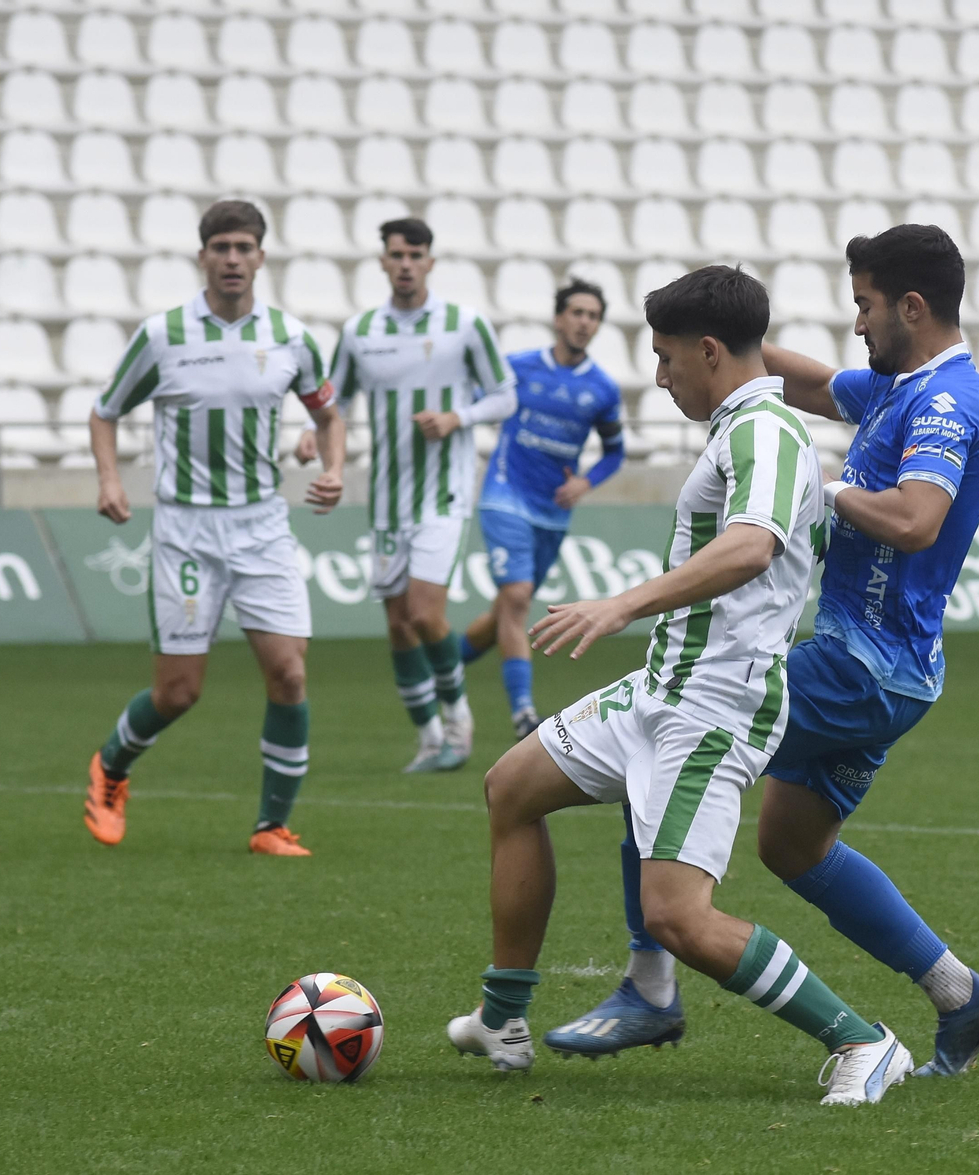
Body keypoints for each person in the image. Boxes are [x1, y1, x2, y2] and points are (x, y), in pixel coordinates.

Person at [548, 225, 979, 1080]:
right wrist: (720, 339)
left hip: (861, 664)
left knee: (666, 724)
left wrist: (823, 490)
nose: (857, 323)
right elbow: (799, 380)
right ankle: (962, 995)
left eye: (866, 306)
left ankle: (650, 986)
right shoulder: (899, 384)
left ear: (913, 308)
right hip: (892, 670)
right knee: (791, 845)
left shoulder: (946, 402)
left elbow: (917, 519)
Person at [445, 265, 913, 1108]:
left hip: (715, 706)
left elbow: (752, 545)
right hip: (663, 688)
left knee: (677, 917)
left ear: (708, 351)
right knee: (510, 787)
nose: (660, 377)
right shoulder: (740, 427)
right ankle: (502, 1018)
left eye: (665, 358)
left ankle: (864, 1040)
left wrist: (621, 603)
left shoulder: (765, 431)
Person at [83, 199, 346, 857]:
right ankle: (111, 767)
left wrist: (334, 467)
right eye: (221, 247)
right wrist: (110, 479)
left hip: (263, 527)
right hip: (188, 532)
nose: (233, 259)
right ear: (202, 256)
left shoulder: (289, 336)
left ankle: (270, 827)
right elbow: (105, 411)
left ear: (261, 256)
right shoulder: (164, 335)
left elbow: (328, 414)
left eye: (244, 248)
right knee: (179, 692)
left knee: (289, 674)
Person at [298, 218, 517, 772]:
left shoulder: (464, 325)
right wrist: (310, 434)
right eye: (396, 255)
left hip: (443, 492)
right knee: (397, 622)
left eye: (415, 255)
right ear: (382, 262)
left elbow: (505, 396)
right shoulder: (360, 332)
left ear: (430, 263)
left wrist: (457, 417)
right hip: (388, 498)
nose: (405, 264)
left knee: (423, 612)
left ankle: (459, 723)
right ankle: (429, 737)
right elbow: (332, 402)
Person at [457, 278, 626, 739]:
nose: (584, 322)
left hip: (551, 511)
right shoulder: (517, 368)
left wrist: (585, 482)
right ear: (558, 318)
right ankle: (523, 713)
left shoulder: (602, 389)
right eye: (577, 313)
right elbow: (471, 404)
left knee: (506, 610)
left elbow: (614, 452)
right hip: (504, 496)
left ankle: (445, 668)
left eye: (593, 316)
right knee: (516, 599)